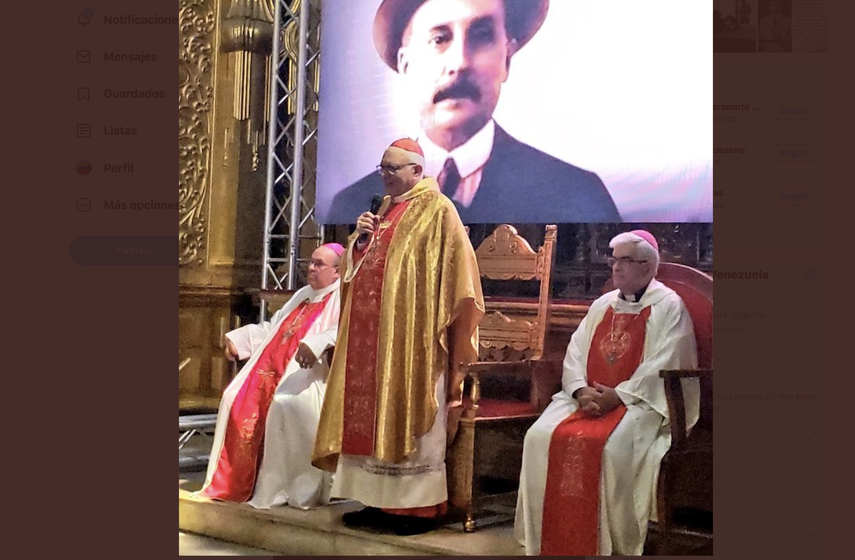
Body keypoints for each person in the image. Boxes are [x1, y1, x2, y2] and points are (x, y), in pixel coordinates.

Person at [327, 0, 620, 225]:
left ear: (507, 58)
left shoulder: (577, 196)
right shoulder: (354, 205)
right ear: (406, 64)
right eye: (439, 38)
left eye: (481, 36)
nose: (459, 62)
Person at [313, 137, 484, 535]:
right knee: (367, 419)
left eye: (393, 168)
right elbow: (356, 271)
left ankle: (415, 509)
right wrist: (358, 242)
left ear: (417, 171)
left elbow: (460, 276)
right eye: (383, 168)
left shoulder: (439, 211)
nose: (385, 176)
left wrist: (436, 320)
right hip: (370, 340)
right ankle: (375, 501)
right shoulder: (383, 212)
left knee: (407, 417)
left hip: (414, 340)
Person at [514, 230, 698, 556]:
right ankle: (548, 539)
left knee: (611, 448)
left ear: (647, 267)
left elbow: (665, 361)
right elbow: (575, 353)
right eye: (614, 260)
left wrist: (618, 396)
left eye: (624, 261)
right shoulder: (602, 304)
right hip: (587, 399)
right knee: (538, 435)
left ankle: (612, 544)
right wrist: (580, 389)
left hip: (639, 403)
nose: (615, 267)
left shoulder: (669, 307)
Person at [198, 244, 344, 509]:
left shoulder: (343, 296)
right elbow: (273, 327)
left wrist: (318, 342)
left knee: (285, 403)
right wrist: (241, 338)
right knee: (233, 396)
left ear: (337, 271)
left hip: (312, 374)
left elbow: (343, 332)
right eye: (311, 262)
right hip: (270, 369)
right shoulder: (303, 294)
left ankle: (284, 487)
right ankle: (235, 483)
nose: (311, 268)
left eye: (319, 264)